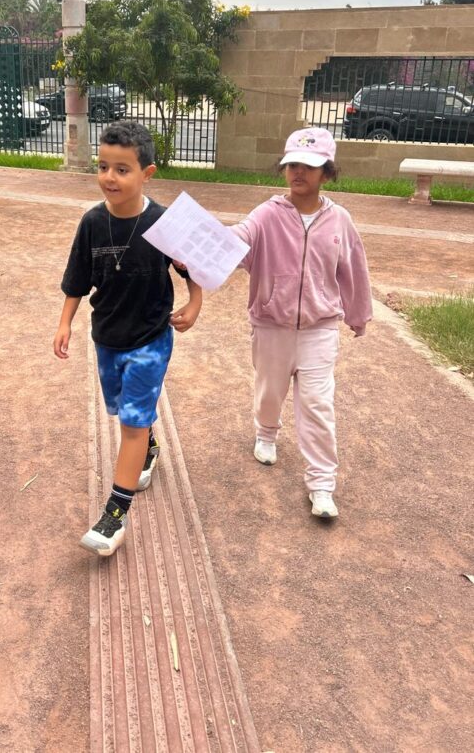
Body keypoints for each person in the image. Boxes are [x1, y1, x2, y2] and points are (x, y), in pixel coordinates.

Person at [53, 121, 202, 556]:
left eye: (122, 169)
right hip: (107, 336)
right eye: (103, 167)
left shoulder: (164, 222)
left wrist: (195, 302)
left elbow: (191, 266)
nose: (109, 177)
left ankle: (114, 516)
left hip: (151, 338)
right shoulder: (92, 222)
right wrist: (65, 322)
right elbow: (77, 279)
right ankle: (149, 448)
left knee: (131, 424)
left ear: (146, 173)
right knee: (124, 410)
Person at [232, 127, 372, 519]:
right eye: (292, 164)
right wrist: (196, 248)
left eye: (309, 166)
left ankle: (322, 484)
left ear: (327, 171)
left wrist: (358, 314)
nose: (298, 172)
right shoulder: (267, 215)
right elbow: (238, 239)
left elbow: (353, 269)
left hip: (319, 328)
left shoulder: (339, 220)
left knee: (317, 405)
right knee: (270, 391)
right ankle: (266, 433)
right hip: (271, 324)